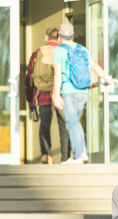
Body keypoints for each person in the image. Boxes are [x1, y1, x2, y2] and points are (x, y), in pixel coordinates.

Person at [53, 23, 118, 164]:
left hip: (69, 91)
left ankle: (77, 156)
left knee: (71, 123)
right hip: (83, 91)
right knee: (76, 122)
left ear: (59, 35)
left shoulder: (58, 51)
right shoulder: (82, 49)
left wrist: (55, 95)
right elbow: (95, 67)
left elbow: (57, 75)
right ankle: (82, 152)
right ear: (73, 34)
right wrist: (107, 79)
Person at [26, 27, 70, 164]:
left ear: (46, 37)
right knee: (64, 126)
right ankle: (65, 158)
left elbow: (29, 79)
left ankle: (46, 155)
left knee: (44, 125)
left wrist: (31, 101)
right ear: (58, 38)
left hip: (43, 95)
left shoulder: (37, 53)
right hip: (61, 95)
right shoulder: (63, 51)